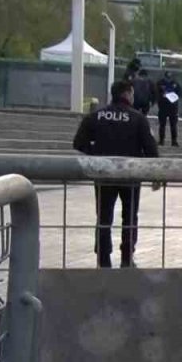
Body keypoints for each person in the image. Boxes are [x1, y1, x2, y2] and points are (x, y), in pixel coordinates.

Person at [73, 80, 159, 268]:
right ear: (128, 94)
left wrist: (96, 154)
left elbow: (78, 143)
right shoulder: (138, 119)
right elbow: (152, 150)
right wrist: (155, 174)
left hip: (104, 174)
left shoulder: (96, 116)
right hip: (131, 175)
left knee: (103, 217)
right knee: (129, 217)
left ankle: (103, 258)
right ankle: (127, 257)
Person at [156, 71, 182, 147]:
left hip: (173, 107)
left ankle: (174, 141)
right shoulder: (160, 83)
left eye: (169, 78)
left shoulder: (176, 84)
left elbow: (180, 93)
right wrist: (161, 96)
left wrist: (175, 96)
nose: (168, 80)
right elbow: (156, 92)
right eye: (167, 78)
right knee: (162, 125)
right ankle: (161, 140)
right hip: (163, 106)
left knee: (173, 125)